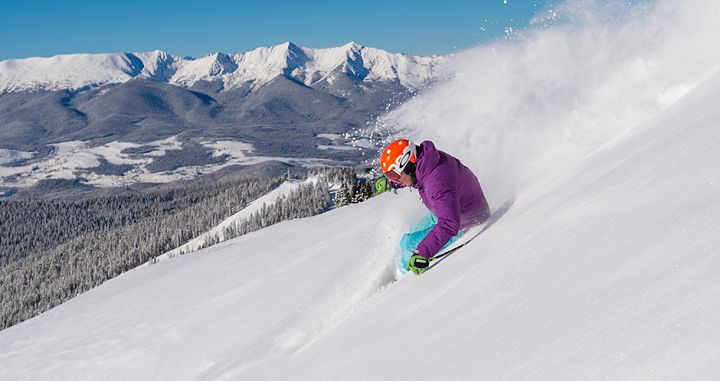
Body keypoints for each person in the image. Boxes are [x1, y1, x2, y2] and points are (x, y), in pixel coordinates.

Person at [380, 138, 490, 275]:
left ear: (408, 165)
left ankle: (404, 279)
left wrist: (423, 253)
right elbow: (413, 179)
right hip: (451, 210)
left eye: (394, 175)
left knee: (407, 245)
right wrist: (391, 184)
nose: (393, 179)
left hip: (466, 222)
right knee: (413, 231)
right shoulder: (425, 162)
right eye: (390, 176)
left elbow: (449, 223)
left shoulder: (437, 181)